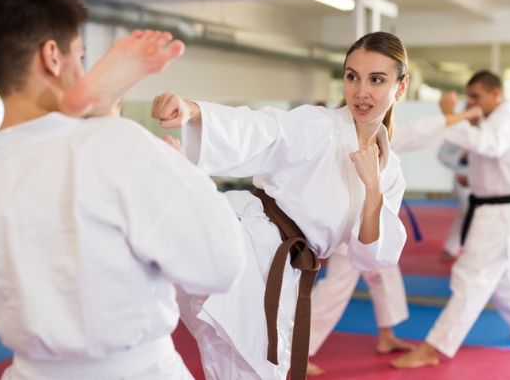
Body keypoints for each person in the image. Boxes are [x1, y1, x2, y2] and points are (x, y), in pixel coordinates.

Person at [0, 0, 246, 380]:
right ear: (52, 56)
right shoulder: (117, 145)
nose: (82, 69)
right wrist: (182, 172)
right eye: (80, 57)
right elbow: (221, 265)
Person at [125, 31, 407, 380]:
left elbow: (372, 255)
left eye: (377, 80)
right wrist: (194, 112)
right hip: (247, 245)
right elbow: (262, 129)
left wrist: (373, 186)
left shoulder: (388, 170)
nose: (361, 91)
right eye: (352, 77)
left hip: (283, 268)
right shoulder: (318, 125)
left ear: (401, 86)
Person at [306, 97, 483, 376]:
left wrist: (455, 116)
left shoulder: (381, 133)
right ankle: (298, 350)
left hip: (374, 223)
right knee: (336, 288)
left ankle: (387, 336)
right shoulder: (343, 137)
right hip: (348, 225)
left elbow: (420, 129)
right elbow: (421, 129)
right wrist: (460, 115)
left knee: (385, 274)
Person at [391, 70, 510, 369]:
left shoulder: (505, 118)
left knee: (471, 278)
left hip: (499, 214)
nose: (472, 101)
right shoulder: (493, 120)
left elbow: (489, 145)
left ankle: (434, 347)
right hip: (495, 211)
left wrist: (451, 116)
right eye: (470, 96)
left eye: (477, 95)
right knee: (499, 277)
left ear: (496, 94)